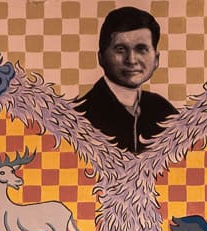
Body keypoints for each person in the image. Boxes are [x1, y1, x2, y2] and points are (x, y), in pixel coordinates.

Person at [75, 6, 176, 154]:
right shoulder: (79, 118)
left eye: (141, 49)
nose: (131, 60)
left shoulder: (164, 111)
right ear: (101, 57)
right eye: (120, 49)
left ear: (156, 59)